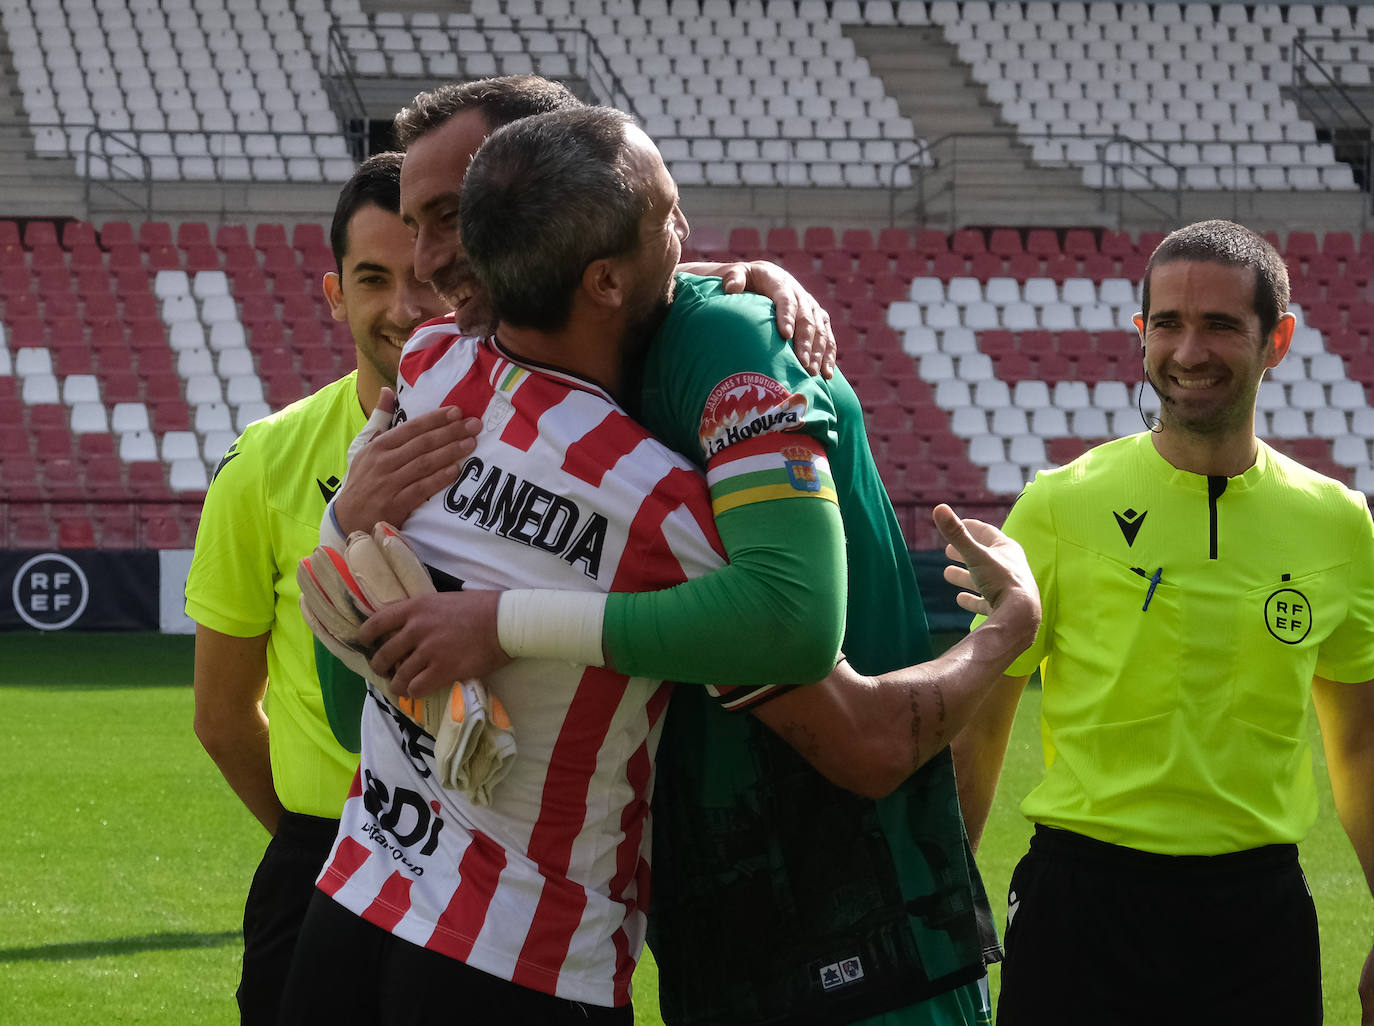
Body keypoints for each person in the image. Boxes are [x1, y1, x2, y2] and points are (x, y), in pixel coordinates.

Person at [351, 80, 1030, 1026]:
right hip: (705, 926)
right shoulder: (504, 380)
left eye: (457, 215)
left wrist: (1012, 634)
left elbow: (853, 725)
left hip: (851, 942)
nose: (427, 261)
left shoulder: (716, 349)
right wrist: (347, 519)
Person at [951, 220, 1374, 1025]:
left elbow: (1361, 741)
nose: (1189, 352)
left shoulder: (1340, 524)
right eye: (1169, 325)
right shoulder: (1058, 504)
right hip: (1081, 905)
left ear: (1276, 339)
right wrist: (942, 910)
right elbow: (981, 723)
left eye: (1220, 325)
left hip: (1258, 917)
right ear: (1140, 334)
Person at [184, 152, 469, 1024]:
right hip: (320, 860)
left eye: (424, 276)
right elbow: (224, 715)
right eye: (372, 279)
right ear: (335, 293)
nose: (404, 307)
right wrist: (324, 842)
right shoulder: (264, 463)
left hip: (497, 861)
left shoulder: (548, 445)